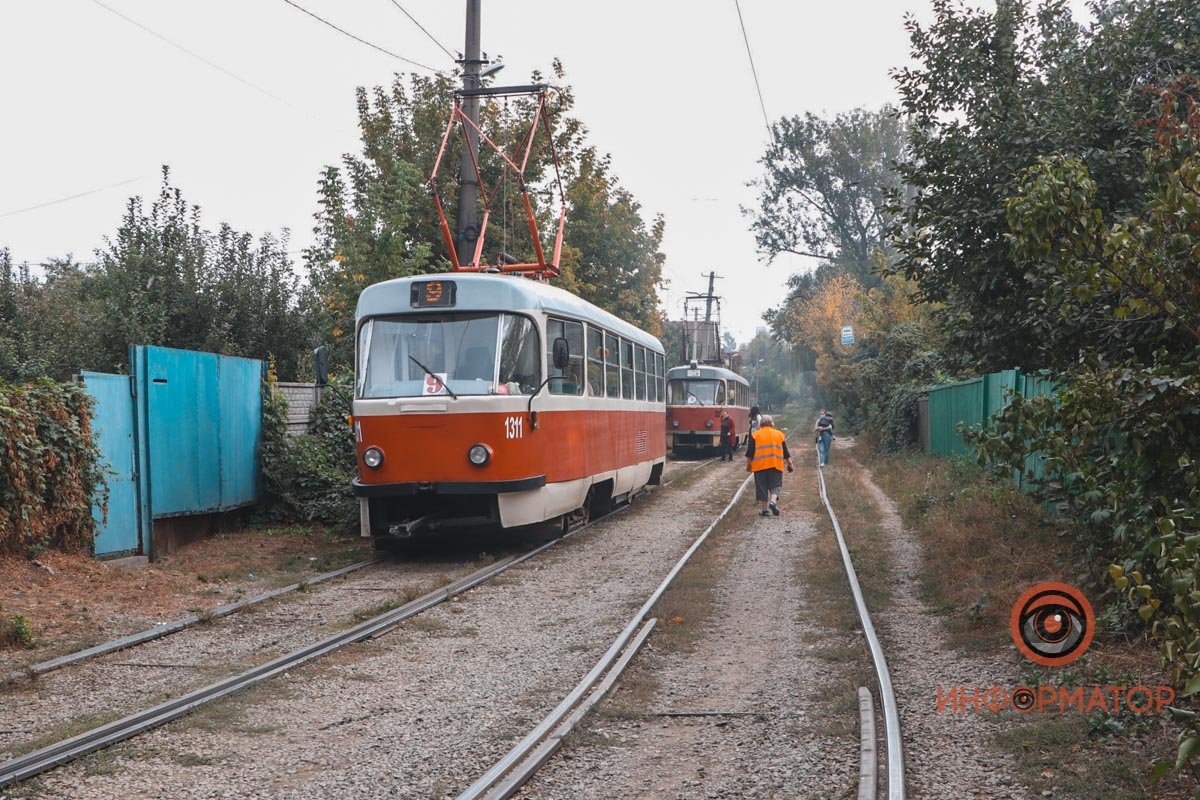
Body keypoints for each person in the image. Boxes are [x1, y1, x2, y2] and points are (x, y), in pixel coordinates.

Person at [746, 414, 794, 516]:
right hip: (775, 465)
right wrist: (790, 464)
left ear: (761, 424)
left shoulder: (755, 435)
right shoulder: (779, 434)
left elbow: (750, 453)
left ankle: (765, 510)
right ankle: (772, 501)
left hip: (760, 466)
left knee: (762, 487)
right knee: (775, 485)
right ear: (772, 423)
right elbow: (786, 452)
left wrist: (748, 465)